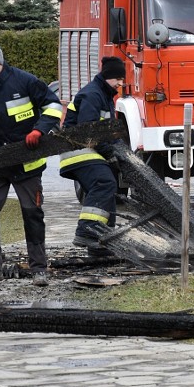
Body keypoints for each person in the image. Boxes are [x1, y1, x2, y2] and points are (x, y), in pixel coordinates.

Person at [0, 40, 62, 286]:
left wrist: (40, 130)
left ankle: (39, 269)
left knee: (32, 214)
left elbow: (53, 105)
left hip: (27, 162)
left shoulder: (25, 81)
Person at [59, 56, 125, 256]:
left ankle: (104, 243)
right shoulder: (92, 95)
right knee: (104, 183)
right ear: (107, 77)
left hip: (88, 149)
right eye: (118, 80)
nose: (121, 84)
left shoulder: (104, 94)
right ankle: (87, 232)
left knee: (108, 189)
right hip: (77, 150)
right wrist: (108, 152)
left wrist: (119, 149)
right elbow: (89, 131)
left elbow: (106, 131)